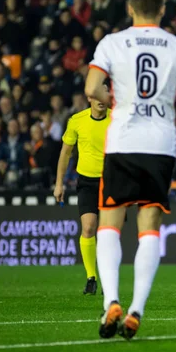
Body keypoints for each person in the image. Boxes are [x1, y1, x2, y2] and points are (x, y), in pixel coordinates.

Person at [84, 0, 176, 340]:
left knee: (110, 222)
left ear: (130, 8)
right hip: (160, 144)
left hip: (122, 140)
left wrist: (115, 101)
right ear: (162, 9)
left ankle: (111, 300)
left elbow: (92, 87)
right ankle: (137, 309)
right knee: (149, 226)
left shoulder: (112, 43)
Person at [53, 95, 110, 295]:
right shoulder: (77, 120)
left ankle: (108, 279)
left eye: (105, 95)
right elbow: (65, 153)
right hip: (86, 182)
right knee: (88, 228)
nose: (102, 100)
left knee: (108, 233)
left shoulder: (117, 120)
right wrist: (59, 183)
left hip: (111, 182)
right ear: (89, 97)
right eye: (97, 96)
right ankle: (91, 278)